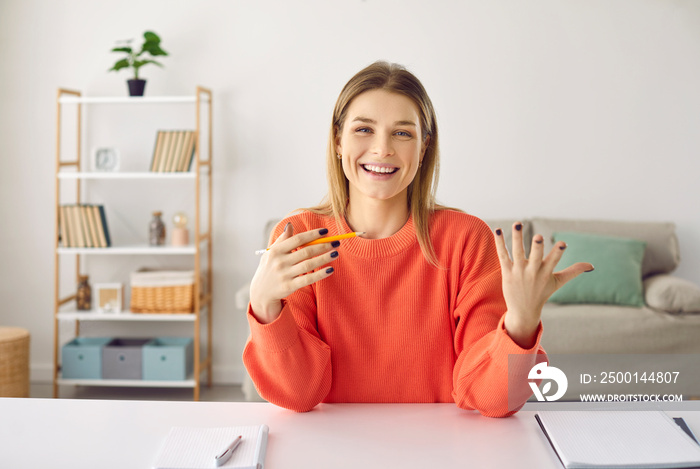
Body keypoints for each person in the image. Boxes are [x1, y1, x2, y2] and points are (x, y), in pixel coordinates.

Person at [243, 61, 593, 417]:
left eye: (402, 133)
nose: (382, 149)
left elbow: (492, 400)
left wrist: (521, 321)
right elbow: (299, 394)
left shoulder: (468, 239)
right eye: (364, 129)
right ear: (337, 140)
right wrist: (264, 304)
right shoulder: (298, 238)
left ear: (424, 148)